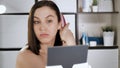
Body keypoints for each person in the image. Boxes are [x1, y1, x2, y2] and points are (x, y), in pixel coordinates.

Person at [16, 0, 76, 68]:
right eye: (36, 22)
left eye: (49, 21)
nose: (42, 28)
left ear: (59, 24)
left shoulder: (67, 51)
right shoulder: (25, 57)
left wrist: (71, 43)